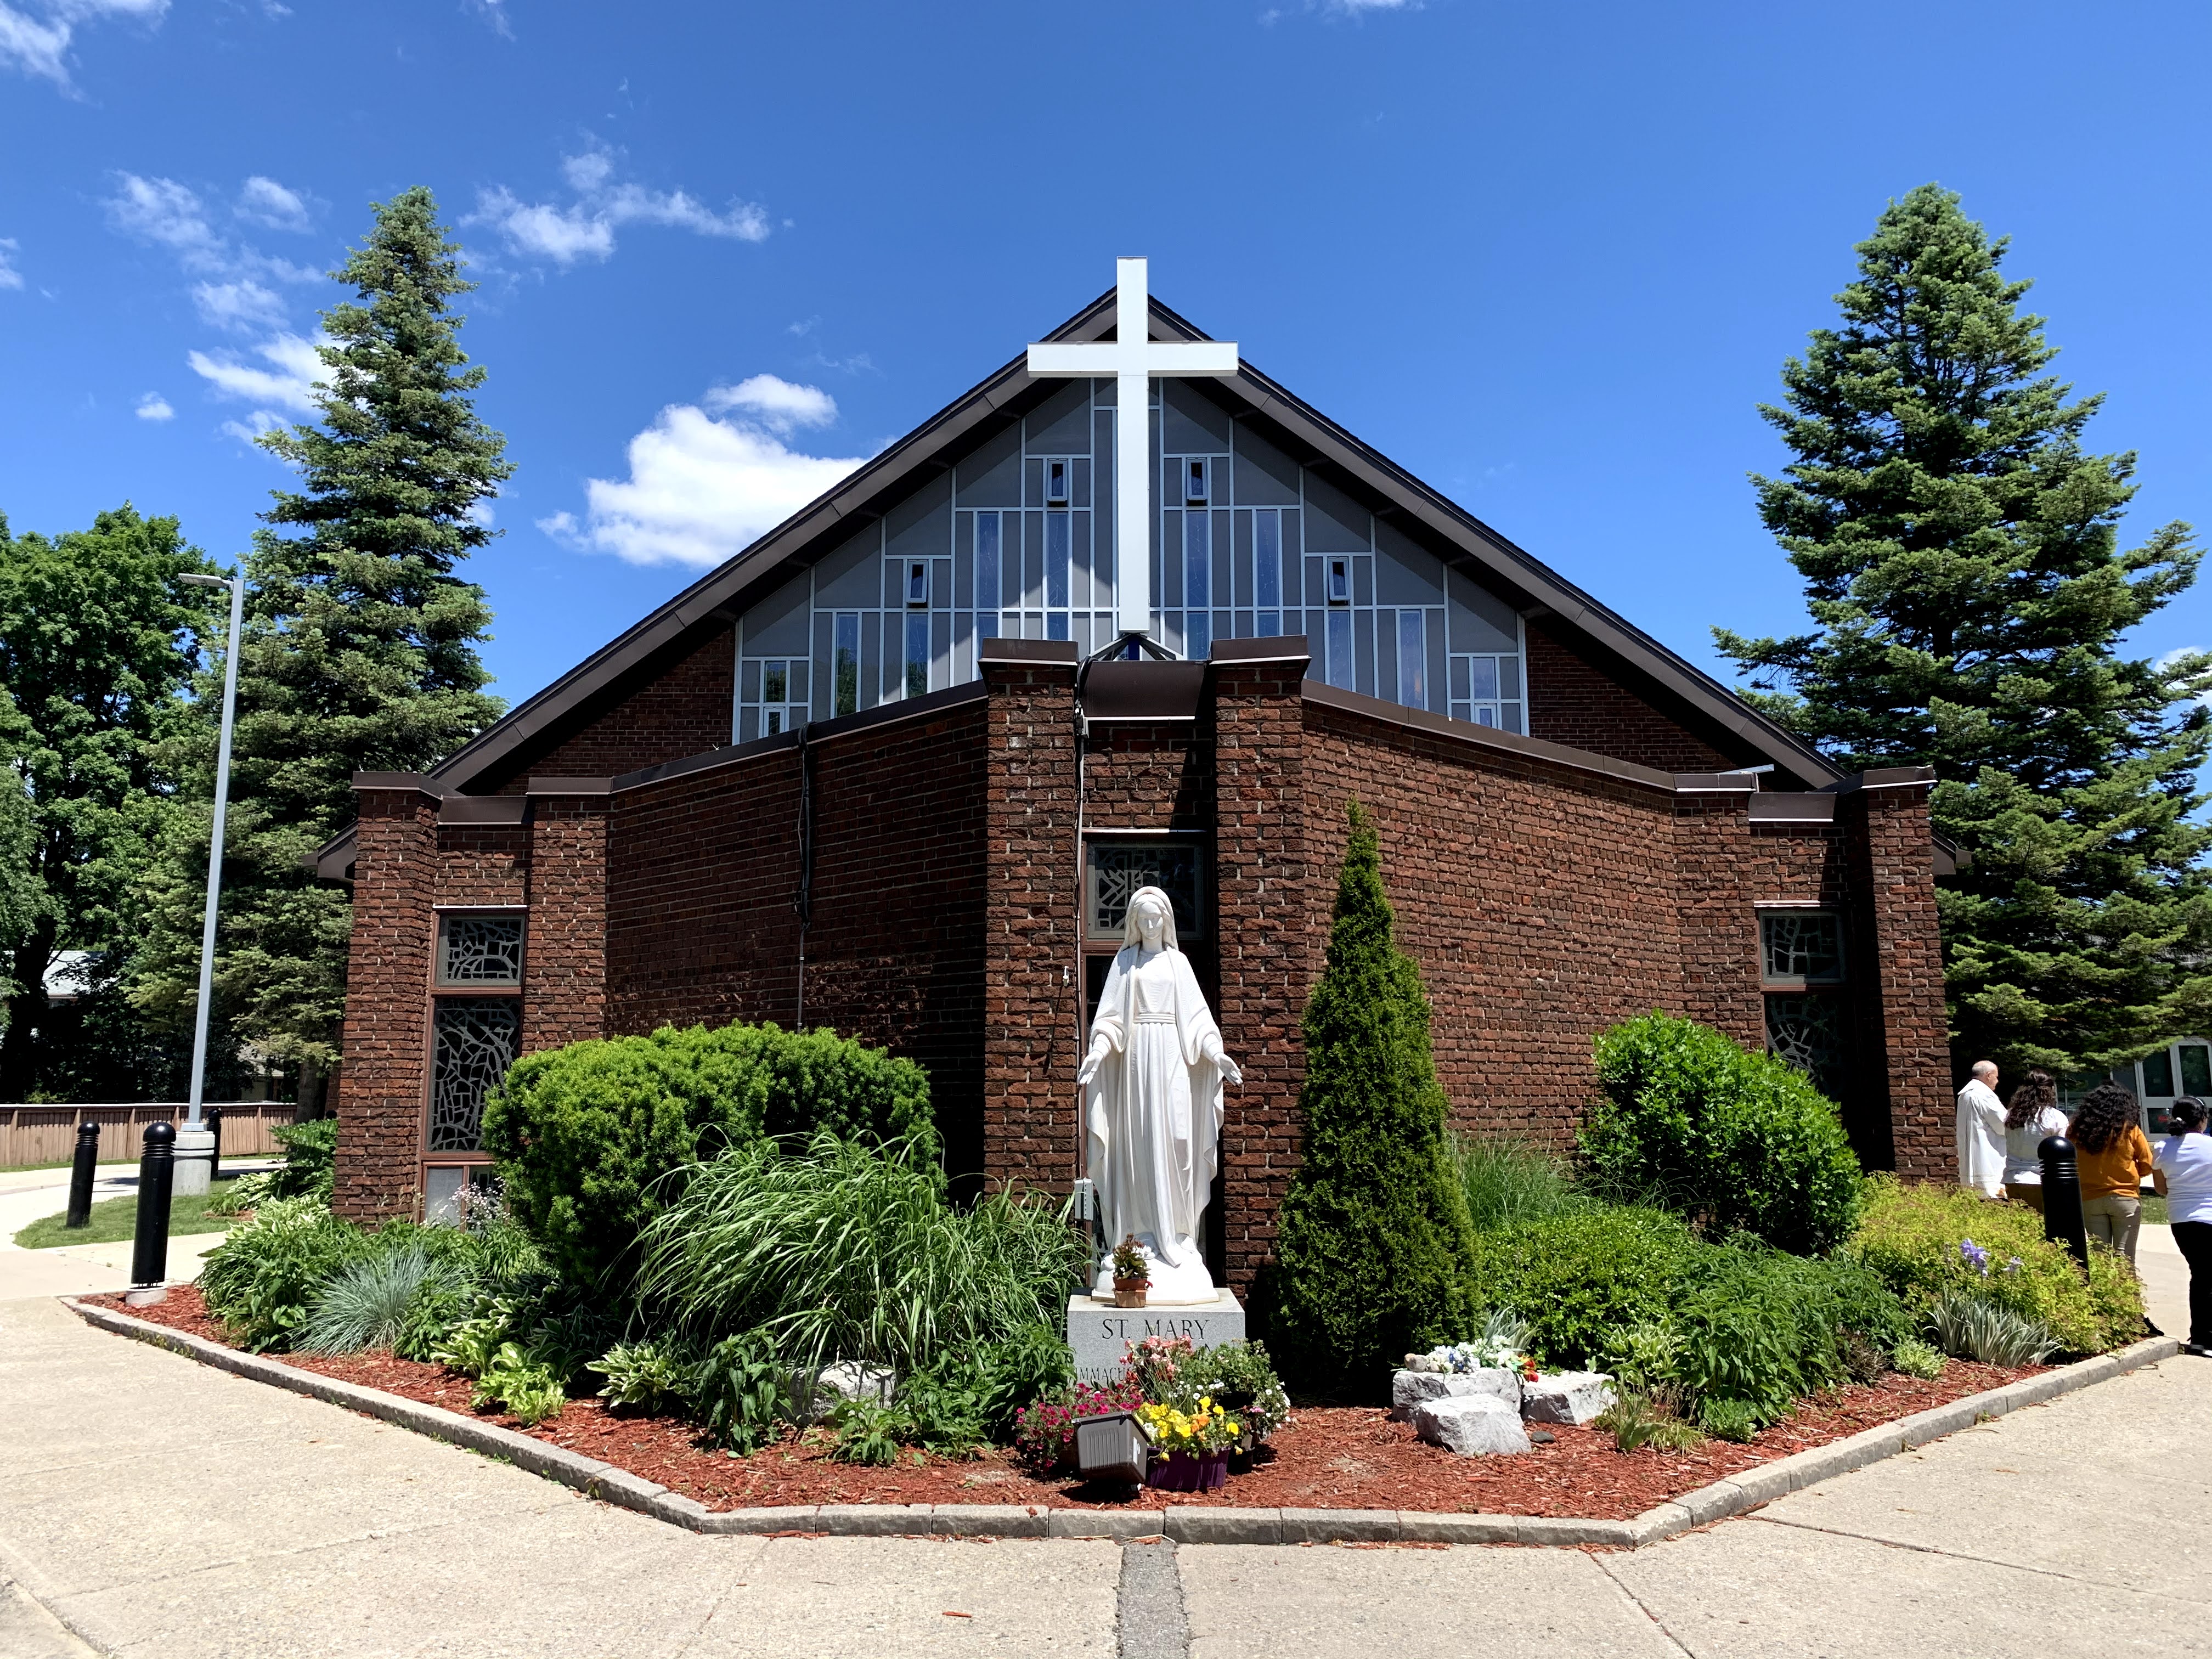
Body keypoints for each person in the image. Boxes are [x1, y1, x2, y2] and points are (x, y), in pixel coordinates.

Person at [2072, 1081, 2155, 1265]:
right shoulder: (2131, 1129)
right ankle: (2127, 1295)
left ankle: (2102, 1294)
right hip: (2125, 1199)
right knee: (2124, 1260)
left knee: (2099, 1261)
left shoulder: (2076, 1131)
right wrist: (2131, 1174)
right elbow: (2148, 1163)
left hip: (2090, 1199)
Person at [2153, 1096, 2212, 1357]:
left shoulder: (2162, 1148)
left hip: (2182, 1220)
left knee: (2200, 1275)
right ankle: (2205, 1338)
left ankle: (2200, 1337)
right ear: (2202, 1120)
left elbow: (2161, 1189)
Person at [2000, 1068, 2069, 1212]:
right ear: (2050, 1090)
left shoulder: (2011, 1115)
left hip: (2012, 1179)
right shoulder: (2054, 1117)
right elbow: (2064, 1153)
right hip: (2040, 1181)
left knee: (2021, 1228)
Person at [1955, 1060, 2006, 1198]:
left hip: (1973, 1152)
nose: (1997, 1081)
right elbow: (2003, 1125)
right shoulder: (1984, 1095)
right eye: (1996, 1077)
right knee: (1991, 1195)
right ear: (1989, 1075)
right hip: (1988, 1155)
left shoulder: (1965, 1095)